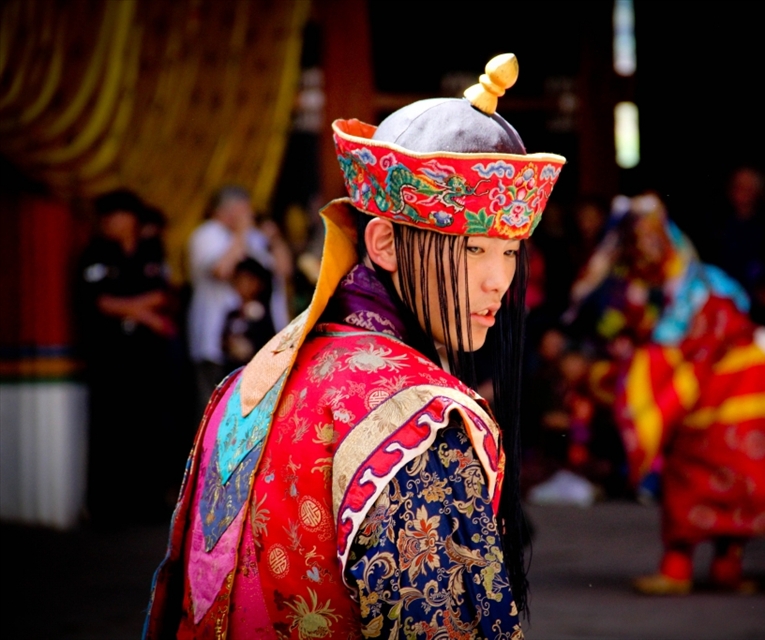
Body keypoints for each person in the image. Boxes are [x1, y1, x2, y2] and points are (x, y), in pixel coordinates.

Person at [143, 53, 565, 638]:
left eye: (510, 251)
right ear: (386, 244)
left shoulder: (246, 385)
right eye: (473, 250)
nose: (499, 279)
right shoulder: (422, 425)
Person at [564, 192, 765, 595]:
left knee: (720, 470)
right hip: (720, 386)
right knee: (722, 470)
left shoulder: (695, 285)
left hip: (729, 383)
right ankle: (706, 565)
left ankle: (700, 565)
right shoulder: (662, 278)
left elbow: (675, 338)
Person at [75, 189, 179, 526]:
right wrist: (145, 314)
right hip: (111, 358)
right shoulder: (95, 254)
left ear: (132, 219)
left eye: (115, 215)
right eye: (104, 217)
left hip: (147, 358)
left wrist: (135, 309)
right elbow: (101, 302)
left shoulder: (151, 250)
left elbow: (165, 293)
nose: (109, 223)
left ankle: (148, 504)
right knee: (111, 430)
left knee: (149, 427)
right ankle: (109, 509)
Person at [186, 185, 293, 421]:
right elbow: (223, 270)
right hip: (217, 341)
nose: (250, 214)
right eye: (244, 209)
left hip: (261, 338)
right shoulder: (207, 234)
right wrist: (241, 233)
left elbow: (283, 271)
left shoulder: (253, 236)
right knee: (216, 414)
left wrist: (274, 239)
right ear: (227, 209)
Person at [221, 257, 277, 371]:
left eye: (248, 280)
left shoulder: (263, 314)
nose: (243, 285)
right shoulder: (232, 314)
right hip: (233, 371)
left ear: (259, 283)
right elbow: (222, 342)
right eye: (239, 280)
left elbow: (269, 342)